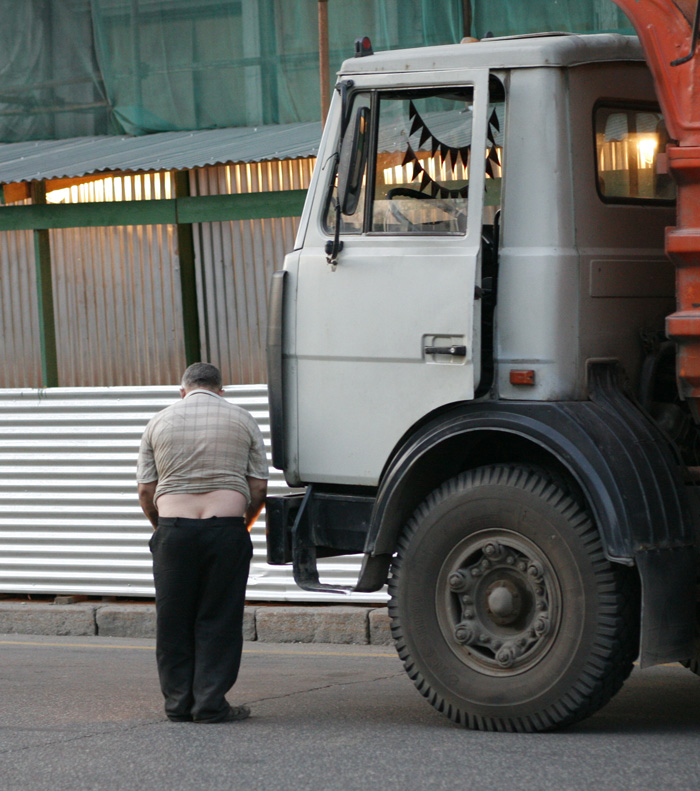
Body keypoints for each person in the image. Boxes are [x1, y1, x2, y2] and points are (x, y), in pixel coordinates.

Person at [137, 362, 268, 723]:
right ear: (220, 390)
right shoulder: (242, 418)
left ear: (183, 390)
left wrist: (162, 527)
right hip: (224, 528)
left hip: (173, 531)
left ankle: (178, 704)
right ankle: (210, 704)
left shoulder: (159, 421)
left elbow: (146, 490)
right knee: (219, 617)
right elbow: (258, 486)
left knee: (173, 618)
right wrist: (242, 523)